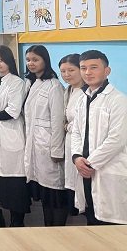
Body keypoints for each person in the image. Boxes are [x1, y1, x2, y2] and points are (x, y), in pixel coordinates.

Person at [71, 50, 127, 225]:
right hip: (85, 169)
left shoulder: (118, 100)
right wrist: (76, 157)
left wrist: (90, 164)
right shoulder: (82, 99)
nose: (88, 72)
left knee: (111, 225)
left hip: (106, 169)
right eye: (83, 68)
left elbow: (117, 139)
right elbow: (76, 132)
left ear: (107, 71)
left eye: (94, 67)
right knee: (91, 217)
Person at [23, 45, 67, 226]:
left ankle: (58, 230)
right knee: (45, 192)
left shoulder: (54, 85)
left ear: (45, 61)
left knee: (55, 191)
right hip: (36, 144)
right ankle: (48, 227)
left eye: (35, 59)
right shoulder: (34, 83)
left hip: (48, 146)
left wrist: (56, 150)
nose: (31, 63)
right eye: (28, 60)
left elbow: (57, 121)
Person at [0, 45, 30, 227]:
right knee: (2, 179)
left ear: (10, 61)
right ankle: (5, 218)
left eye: (1, 60)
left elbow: (13, 110)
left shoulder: (16, 82)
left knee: (15, 181)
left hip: (12, 134)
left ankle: (17, 221)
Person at [59, 53, 84, 216]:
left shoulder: (86, 92)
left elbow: (84, 121)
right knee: (71, 178)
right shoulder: (68, 90)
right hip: (69, 141)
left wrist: (67, 126)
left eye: (71, 70)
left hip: (81, 143)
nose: (67, 74)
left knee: (80, 180)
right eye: (63, 71)